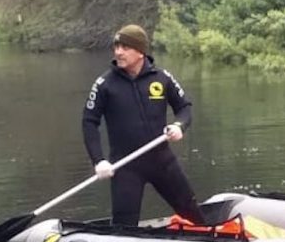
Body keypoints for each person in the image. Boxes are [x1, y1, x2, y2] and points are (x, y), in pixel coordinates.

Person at [83, 24, 206, 226]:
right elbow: (89, 122)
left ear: (140, 51)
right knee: (124, 226)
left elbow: (184, 107)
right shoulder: (105, 84)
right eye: (116, 47)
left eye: (125, 47)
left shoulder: (162, 78)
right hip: (125, 167)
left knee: (193, 214)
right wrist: (99, 161)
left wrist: (179, 126)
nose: (118, 52)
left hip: (162, 162)